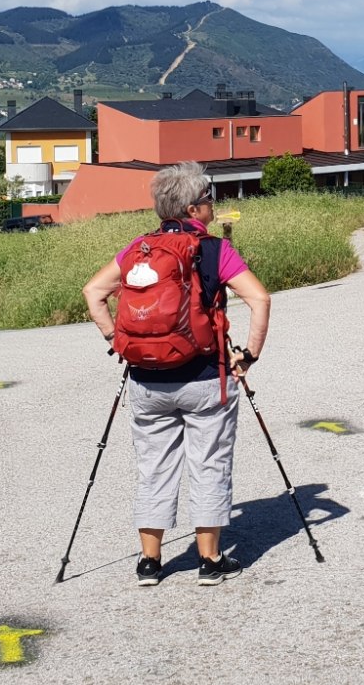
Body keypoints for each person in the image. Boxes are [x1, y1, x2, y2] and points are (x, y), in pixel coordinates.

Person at [82, 162, 271, 588]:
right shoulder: (215, 250)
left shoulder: (138, 249)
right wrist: (248, 356)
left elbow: (93, 293)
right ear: (193, 208)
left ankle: (150, 563)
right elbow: (260, 299)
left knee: (153, 467)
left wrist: (118, 341)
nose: (212, 207)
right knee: (209, 464)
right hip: (206, 378)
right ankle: (210, 561)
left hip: (147, 380)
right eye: (209, 201)